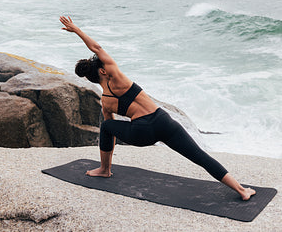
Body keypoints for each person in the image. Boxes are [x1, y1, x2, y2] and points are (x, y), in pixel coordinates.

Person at [60, 15, 256, 201]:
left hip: (141, 133)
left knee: (106, 126)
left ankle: (104, 169)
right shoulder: (117, 76)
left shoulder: (106, 101)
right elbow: (96, 46)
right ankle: (241, 190)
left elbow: (110, 131)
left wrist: (109, 155)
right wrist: (76, 29)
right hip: (163, 122)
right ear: (103, 70)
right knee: (199, 156)